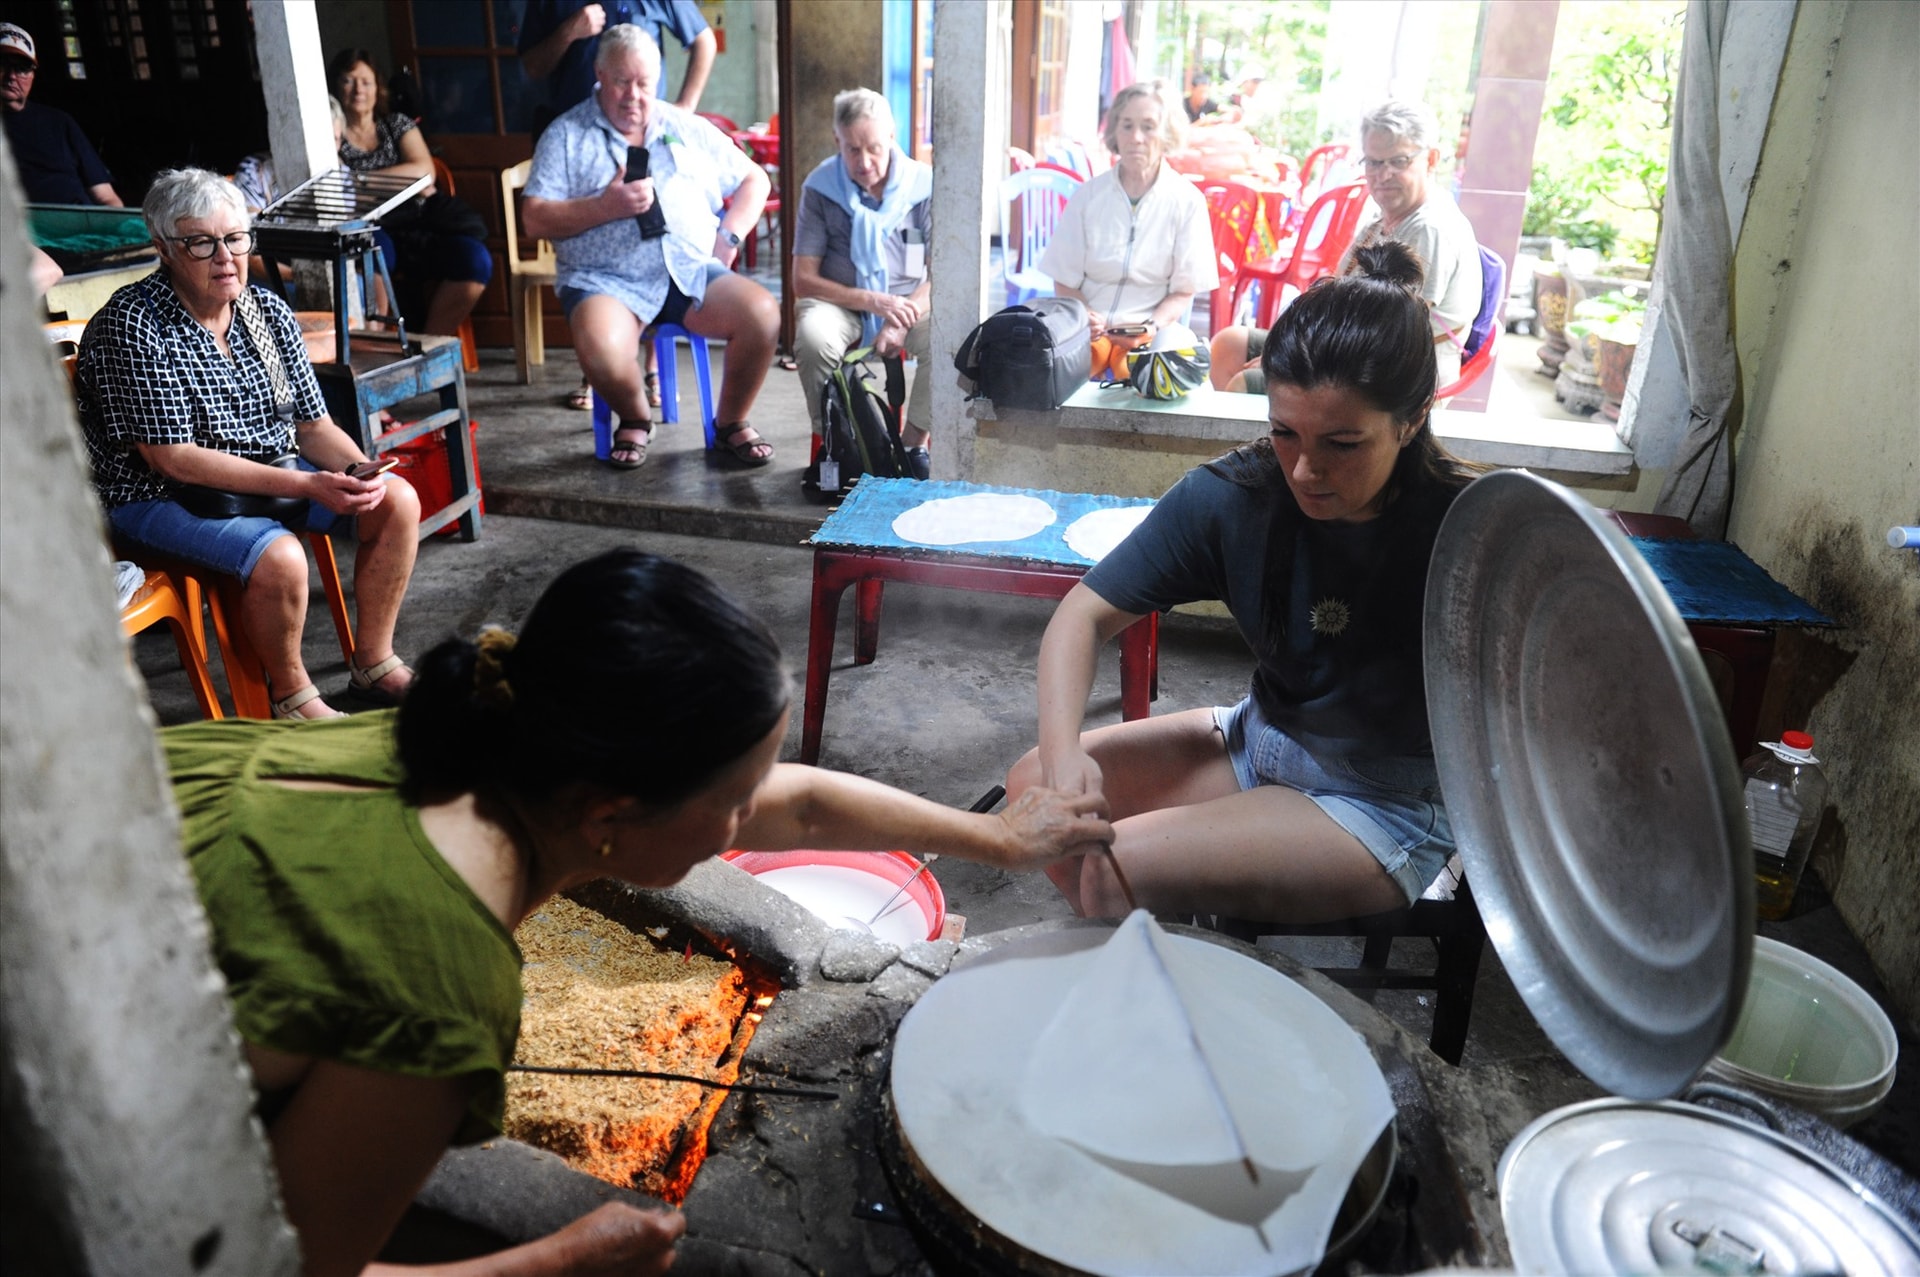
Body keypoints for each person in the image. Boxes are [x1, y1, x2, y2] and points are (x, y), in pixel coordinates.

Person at [168, 547, 1115, 1276]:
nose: (754, 821)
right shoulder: (440, 984)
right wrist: (556, 1259)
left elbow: (802, 801)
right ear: (611, 817)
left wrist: (1004, 837)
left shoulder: (456, 741)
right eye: (733, 805)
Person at [1009, 242, 1479, 925]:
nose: (1305, 469)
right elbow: (1080, 617)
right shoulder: (1239, 495)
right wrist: (1063, 756)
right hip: (1259, 742)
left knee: (1113, 874)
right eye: (1285, 432)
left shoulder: (1464, 529)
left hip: (1381, 800)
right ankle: (1171, 964)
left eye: (1342, 444)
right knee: (1033, 788)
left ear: (1410, 420)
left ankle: (1178, 984)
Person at [77, 168, 420, 719]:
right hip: (156, 497)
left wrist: (358, 469)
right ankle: (290, 695)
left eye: (236, 238)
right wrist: (309, 483)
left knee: (396, 499)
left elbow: (310, 425)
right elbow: (174, 459)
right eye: (201, 243)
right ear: (164, 248)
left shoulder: (265, 311)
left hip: (264, 478)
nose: (225, 257)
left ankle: (373, 664)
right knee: (280, 556)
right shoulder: (133, 324)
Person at [522, 24, 778, 470]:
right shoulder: (566, 134)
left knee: (762, 314)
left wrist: (729, 235)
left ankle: (730, 423)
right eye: (621, 82)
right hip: (605, 278)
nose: (633, 96)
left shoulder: (684, 126)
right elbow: (533, 218)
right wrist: (604, 206)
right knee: (599, 347)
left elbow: (755, 178)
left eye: (644, 83)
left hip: (690, 268)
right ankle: (636, 415)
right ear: (600, 74)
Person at [519, 0, 719, 412]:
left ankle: (649, 368)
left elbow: (703, 41)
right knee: (594, 255)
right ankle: (601, 369)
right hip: (578, 141)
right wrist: (569, 31)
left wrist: (683, 109)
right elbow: (533, 66)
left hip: (642, 136)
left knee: (652, 238)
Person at [1210, 99, 1482, 392]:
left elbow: (1391, 332)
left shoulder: (1429, 228)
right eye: (1374, 162)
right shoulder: (1384, 219)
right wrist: (1290, 342)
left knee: (1245, 385)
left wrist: (1289, 355)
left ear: (1430, 160)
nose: (1383, 174)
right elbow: (1337, 296)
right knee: (1228, 345)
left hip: (1394, 376)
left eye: (1399, 161)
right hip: (1354, 351)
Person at [793, 87, 933, 475]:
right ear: (837, 140)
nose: (865, 161)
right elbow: (803, 279)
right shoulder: (821, 188)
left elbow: (943, 277)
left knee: (950, 339)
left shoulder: (924, 187)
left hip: (911, 301)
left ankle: (912, 446)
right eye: (852, 149)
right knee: (813, 338)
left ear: (892, 137)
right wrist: (872, 301)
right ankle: (837, 444)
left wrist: (898, 317)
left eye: (873, 147)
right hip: (842, 301)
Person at [1040, 81, 1218, 383]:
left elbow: (1185, 289)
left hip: (1147, 329)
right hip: (1088, 327)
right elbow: (1064, 277)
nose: (1136, 138)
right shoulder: (1088, 197)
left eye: (1148, 127)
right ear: (1115, 134)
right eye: (1127, 126)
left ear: (1166, 134)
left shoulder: (1187, 202)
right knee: (1049, 377)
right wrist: (1084, 314)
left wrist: (1153, 325)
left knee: (1157, 383)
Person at [331, 49, 493, 342]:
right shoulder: (331, 135)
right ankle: (374, 347)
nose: (358, 90)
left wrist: (360, 179)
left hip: (421, 223)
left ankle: (427, 346)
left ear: (377, 87)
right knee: (373, 252)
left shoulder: (396, 125)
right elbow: (335, 186)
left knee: (475, 260)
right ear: (336, 86)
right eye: (349, 81)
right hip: (374, 230)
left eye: (365, 81)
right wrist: (401, 178)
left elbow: (424, 172)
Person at [1, 22, 123, 206]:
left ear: (33, 76)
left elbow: (106, 196)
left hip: (79, 226)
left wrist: (116, 227)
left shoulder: (59, 122)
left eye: (21, 68)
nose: (11, 76)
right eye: (2, 65)